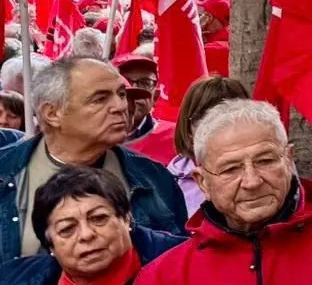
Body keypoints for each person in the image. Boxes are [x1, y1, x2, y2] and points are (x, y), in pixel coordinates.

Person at [137, 99, 312, 284]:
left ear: (289, 159)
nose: (251, 181)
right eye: (231, 169)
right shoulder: (165, 277)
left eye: (265, 161)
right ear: (202, 182)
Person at [0, 58, 184, 260]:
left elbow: (180, 264)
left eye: (121, 94)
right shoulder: (6, 170)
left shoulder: (153, 177)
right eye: (100, 99)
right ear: (52, 113)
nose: (121, 106)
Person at [0, 166, 184, 285]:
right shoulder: (11, 278)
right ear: (50, 246)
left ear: (126, 218)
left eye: (99, 218)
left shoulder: (187, 263)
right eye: (67, 229)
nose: (86, 235)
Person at [162, 76, 248, 217]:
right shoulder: (165, 185)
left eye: (228, 117)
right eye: (204, 118)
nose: (216, 128)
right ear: (189, 128)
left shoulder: (274, 166)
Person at [115, 55, 173, 165]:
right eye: (125, 82)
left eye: (145, 83)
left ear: (155, 97)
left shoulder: (176, 138)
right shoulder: (90, 136)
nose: (134, 89)